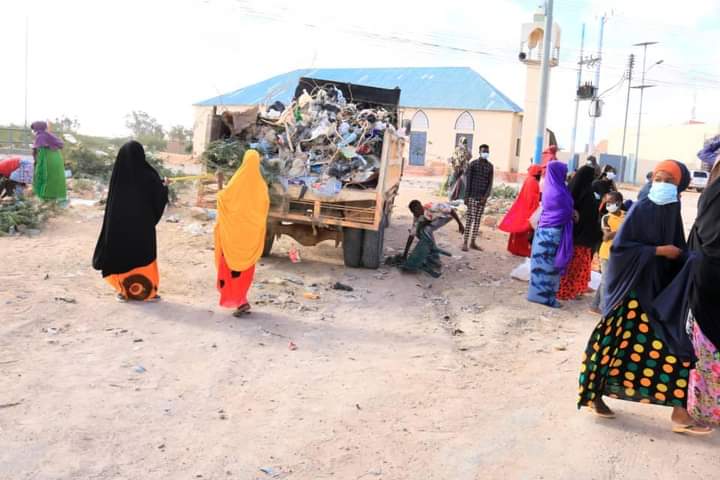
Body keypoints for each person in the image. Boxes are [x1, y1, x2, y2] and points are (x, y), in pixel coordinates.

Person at [577, 160, 712, 435]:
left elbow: (678, 252)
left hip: (657, 297)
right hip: (630, 294)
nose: (661, 184)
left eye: (669, 181)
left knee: (675, 350)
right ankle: (592, 395)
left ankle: (680, 413)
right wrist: (659, 251)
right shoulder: (642, 208)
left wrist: (692, 258)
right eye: (658, 178)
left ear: (680, 187)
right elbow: (620, 251)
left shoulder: (671, 212)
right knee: (611, 344)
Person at [92, 141, 169, 302]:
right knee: (144, 255)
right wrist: (165, 187)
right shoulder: (148, 175)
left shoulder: (118, 176)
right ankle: (148, 292)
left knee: (121, 255)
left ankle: (124, 291)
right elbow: (158, 197)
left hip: (119, 228)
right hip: (142, 229)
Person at [215, 149, 269, 316]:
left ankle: (240, 301)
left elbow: (223, 200)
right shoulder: (261, 186)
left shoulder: (236, 182)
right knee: (244, 271)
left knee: (231, 268)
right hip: (249, 240)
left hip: (232, 238)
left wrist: (219, 183)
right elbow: (264, 210)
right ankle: (242, 299)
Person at [527, 161, 574, 308]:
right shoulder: (557, 191)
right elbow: (565, 211)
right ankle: (546, 298)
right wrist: (572, 214)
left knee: (542, 266)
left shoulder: (553, 187)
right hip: (551, 234)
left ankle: (536, 295)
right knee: (549, 268)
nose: (566, 174)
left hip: (545, 232)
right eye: (564, 171)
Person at [558, 165, 603, 301]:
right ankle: (568, 290)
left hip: (577, 235)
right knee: (576, 266)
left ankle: (574, 289)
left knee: (576, 265)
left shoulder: (576, 190)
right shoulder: (585, 192)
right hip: (580, 236)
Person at [401, 200, 464, 278]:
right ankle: (433, 255)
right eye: (413, 213)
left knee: (427, 230)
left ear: (420, 207)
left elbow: (452, 211)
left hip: (446, 216)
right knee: (420, 232)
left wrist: (460, 224)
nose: (414, 215)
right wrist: (405, 254)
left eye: (415, 212)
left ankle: (435, 258)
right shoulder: (417, 216)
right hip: (433, 218)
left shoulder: (434, 207)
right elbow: (412, 235)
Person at [590, 191, 625, 314]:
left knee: (606, 279)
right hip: (606, 253)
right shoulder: (606, 218)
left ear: (619, 203)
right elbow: (606, 237)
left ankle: (595, 305)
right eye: (607, 202)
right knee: (606, 280)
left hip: (619, 253)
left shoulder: (625, 216)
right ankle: (605, 308)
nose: (608, 205)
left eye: (611, 202)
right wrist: (621, 230)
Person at [499, 164, 543, 257]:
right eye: (539, 173)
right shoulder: (534, 182)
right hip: (528, 209)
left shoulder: (528, 179)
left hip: (522, 207)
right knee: (525, 230)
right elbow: (533, 198)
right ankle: (522, 250)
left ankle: (514, 248)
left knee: (518, 229)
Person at [463, 144, 493, 252]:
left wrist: (485, 197)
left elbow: (490, 183)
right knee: (469, 220)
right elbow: (468, 181)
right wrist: (466, 197)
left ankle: (473, 242)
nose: (485, 153)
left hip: (482, 198)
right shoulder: (473, 164)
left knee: (477, 221)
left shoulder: (490, 166)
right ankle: (465, 242)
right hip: (472, 196)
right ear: (479, 152)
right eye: (484, 151)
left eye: (487, 151)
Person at [30, 121, 66, 202]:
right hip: (56, 157)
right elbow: (60, 144)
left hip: (47, 157)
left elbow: (37, 150)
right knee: (53, 177)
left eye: (33, 129)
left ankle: (44, 197)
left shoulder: (40, 136)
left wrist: (36, 161)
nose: (33, 131)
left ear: (37, 128)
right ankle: (54, 197)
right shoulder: (48, 135)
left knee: (42, 175)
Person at [446, 137, 472, 201]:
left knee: (463, 183)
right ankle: (451, 197)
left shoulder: (468, 150)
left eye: (465, 142)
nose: (464, 144)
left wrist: (466, 157)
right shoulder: (456, 149)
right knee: (452, 181)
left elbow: (469, 157)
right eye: (463, 142)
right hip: (455, 168)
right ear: (460, 142)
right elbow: (454, 157)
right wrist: (451, 160)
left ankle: (461, 198)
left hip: (464, 168)